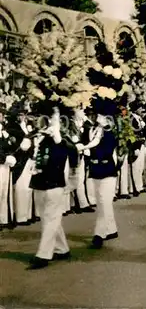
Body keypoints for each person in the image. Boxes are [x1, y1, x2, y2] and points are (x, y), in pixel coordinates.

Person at [27, 105, 71, 269]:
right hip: (39, 181)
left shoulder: (62, 138)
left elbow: (67, 152)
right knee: (47, 218)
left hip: (54, 183)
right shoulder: (39, 136)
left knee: (51, 218)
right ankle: (62, 248)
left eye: (54, 118)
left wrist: (57, 136)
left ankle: (43, 254)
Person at [77, 102, 119, 249]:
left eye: (100, 115)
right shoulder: (90, 130)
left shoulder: (109, 133)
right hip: (95, 168)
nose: (96, 117)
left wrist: (86, 147)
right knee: (101, 201)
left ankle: (99, 234)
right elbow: (84, 142)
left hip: (107, 169)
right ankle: (111, 229)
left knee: (104, 201)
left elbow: (103, 147)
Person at [0, 103, 16, 230]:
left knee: (4, 193)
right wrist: (4, 158)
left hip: (5, 165)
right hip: (1, 163)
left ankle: (3, 219)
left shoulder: (3, 130)